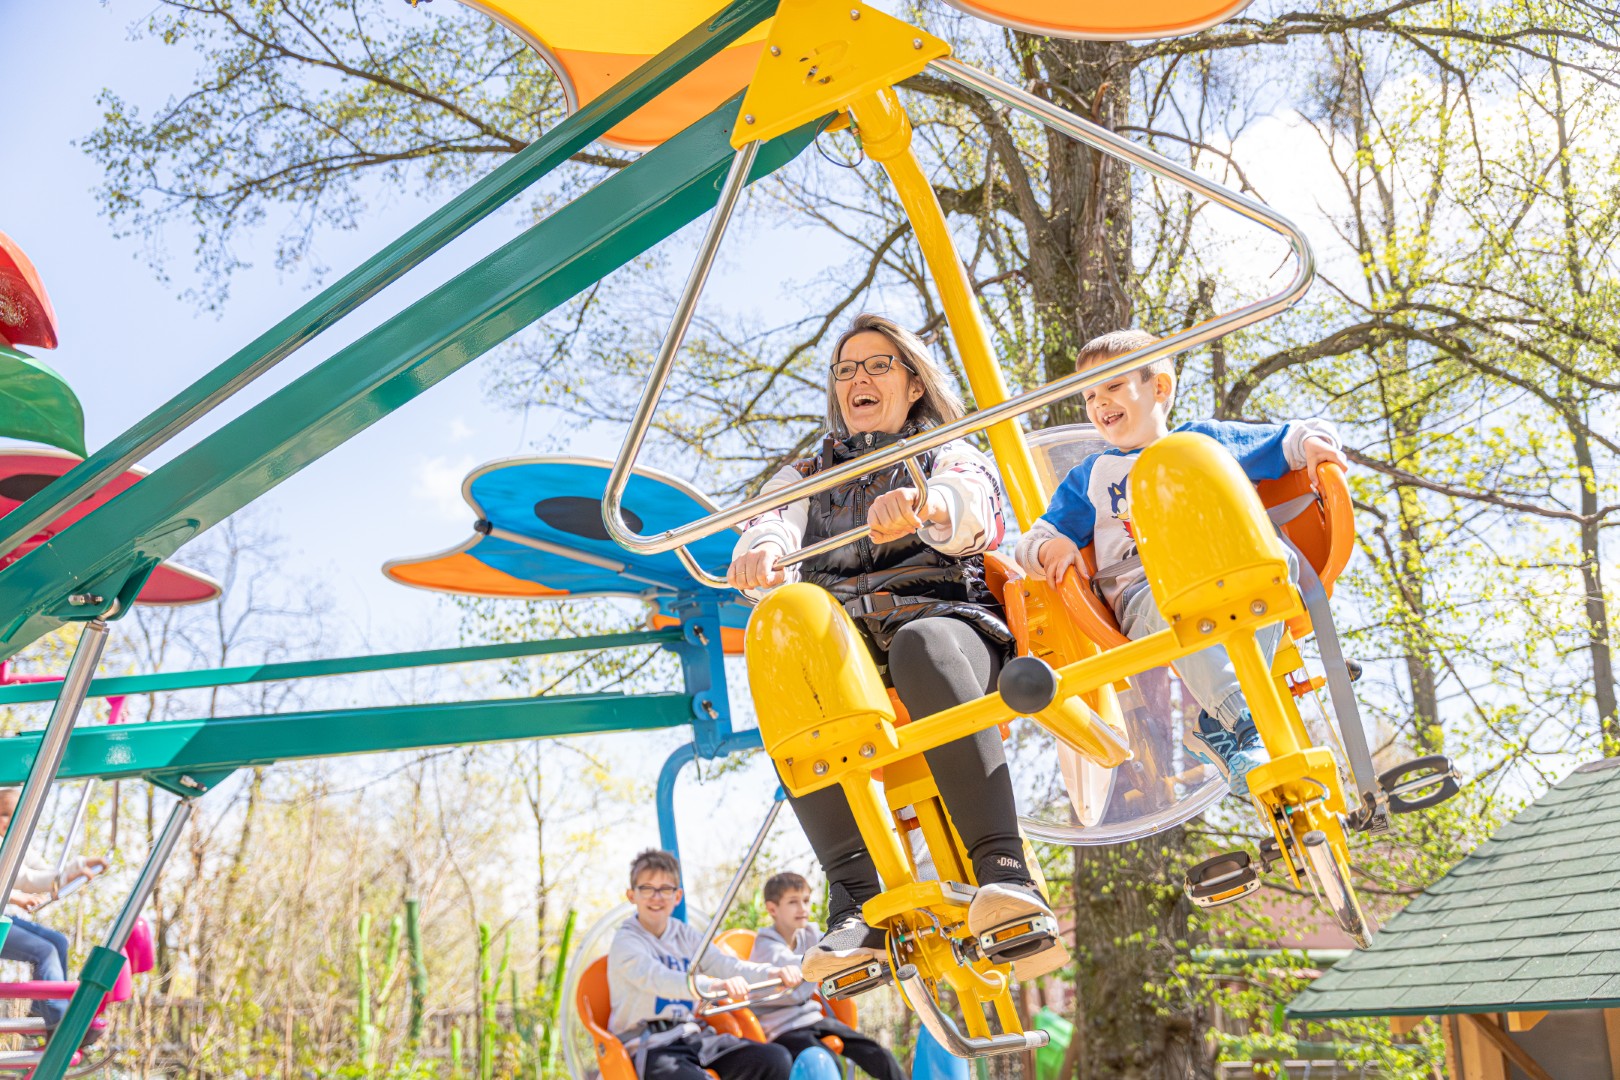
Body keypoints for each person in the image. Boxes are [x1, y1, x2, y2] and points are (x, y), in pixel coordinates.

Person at [727, 312, 1066, 988]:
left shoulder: (944, 449)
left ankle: (1003, 869)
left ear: (913, 383)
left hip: (949, 631)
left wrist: (926, 503)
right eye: (846, 369)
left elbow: (973, 503)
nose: (859, 379)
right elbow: (771, 519)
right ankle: (856, 902)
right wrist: (762, 549)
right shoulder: (808, 472)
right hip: (851, 663)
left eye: (878, 365)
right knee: (779, 644)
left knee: (919, 641)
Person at [1014, 330, 1348, 797]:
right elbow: (1035, 540)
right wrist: (1054, 549)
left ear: (1160, 388)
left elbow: (1292, 438)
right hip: (1148, 591)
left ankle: (1223, 721)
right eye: (1089, 395)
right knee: (1177, 610)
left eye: (1112, 385)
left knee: (1281, 565)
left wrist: (1316, 447)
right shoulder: (1093, 476)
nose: (1099, 403)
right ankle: (1246, 723)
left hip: (1228, 572)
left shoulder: (1204, 442)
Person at [606, 848, 799, 1080]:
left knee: (774, 1059)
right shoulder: (626, 942)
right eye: (647, 888)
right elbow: (657, 979)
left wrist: (771, 973)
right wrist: (713, 986)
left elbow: (726, 965)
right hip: (649, 1044)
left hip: (691, 1035)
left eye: (665, 889)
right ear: (631, 895)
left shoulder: (686, 936)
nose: (656, 897)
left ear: (677, 896)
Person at [747, 872, 905, 1080]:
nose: (803, 908)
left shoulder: (809, 934)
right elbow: (802, 963)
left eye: (805, 900)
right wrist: (828, 958)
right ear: (772, 909)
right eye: (793, 902)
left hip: (813, 1018)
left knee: (878, 1055)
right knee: (828, 1062)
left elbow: (835, 950)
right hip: (780, 1028)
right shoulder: (766, 945)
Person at [0, 786, 109, 1034]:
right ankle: (59, 1020)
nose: (8, 822)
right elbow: (24, 878)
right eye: (3, 814)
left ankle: (43, 1009)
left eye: (15, 816)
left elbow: (45, 870)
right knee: (44, 951)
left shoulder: (15, 845)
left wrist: (74, 870)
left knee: (57, 941)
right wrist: (21, 895)